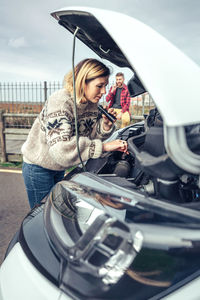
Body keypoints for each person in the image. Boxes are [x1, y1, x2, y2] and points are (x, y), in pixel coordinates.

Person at [21, 58, 128, 209]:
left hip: (60, 166)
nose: (104, 92)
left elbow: (90, 137)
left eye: (105, 86)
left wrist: (105, 125)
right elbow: (61, 151)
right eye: (99, 86)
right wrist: (104, 147)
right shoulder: (61, 102)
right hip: (39, 168)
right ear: (82, 81)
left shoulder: (91, 104)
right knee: (44, 214)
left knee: (59, 209)